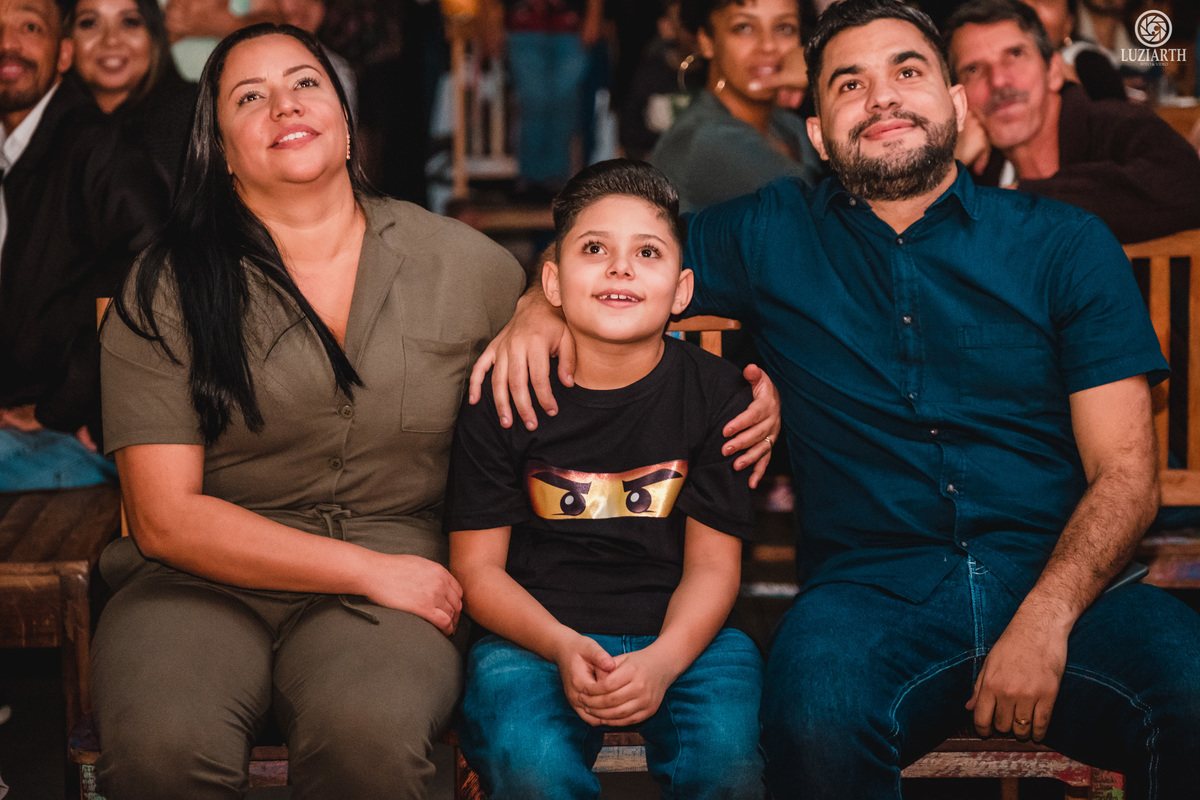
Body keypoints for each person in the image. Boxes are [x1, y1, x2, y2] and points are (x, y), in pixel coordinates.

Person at [469, 1, 1200, 797]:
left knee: (1191, 691)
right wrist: (536, 307)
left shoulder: (1064, 243)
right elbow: (613, 255)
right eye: (850, 84)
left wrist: (1046, 620)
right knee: (812, 716)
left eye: (907, 71)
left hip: (1064, 582)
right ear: (818, 133)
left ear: (957, 103)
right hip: (869, 595)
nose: (882, 96)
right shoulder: (769, 233)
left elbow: (1127, 474)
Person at [89, 23, 525, 799]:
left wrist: (547, 316)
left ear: (345, 119)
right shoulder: (167, 284)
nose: (284, 105)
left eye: (305, 83)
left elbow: (604, 323)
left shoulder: (468, 266)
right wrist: (368, 571)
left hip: (393, 566)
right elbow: (164, 520)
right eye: (249, 97)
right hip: (202, 576)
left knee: (368, 738)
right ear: (221, 149)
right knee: (163, 745)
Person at [446, 159, 765, 799]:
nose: (621, 268)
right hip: (533, 635)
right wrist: (561, 645)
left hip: (687, 635)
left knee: (727, 758)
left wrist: (664, 661)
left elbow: (713, 568)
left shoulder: (719, 397)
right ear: (553, 282)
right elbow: (477, 573)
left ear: (681, 291)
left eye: (647, 252)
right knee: (530, 759)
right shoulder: (504, 395)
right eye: (595, 249)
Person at [0, 0, 168, 490]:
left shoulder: (100, 149)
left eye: (30, 27)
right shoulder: (16, 148)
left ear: (64, 54)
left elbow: (156, 274)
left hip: (74, 435)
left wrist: (62, 407)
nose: (8, 44)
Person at [945, 0, 1200, 244]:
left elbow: (1187, 183)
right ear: (959, 98)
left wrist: (1023, 200)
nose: (998, 81)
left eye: (1015, 54)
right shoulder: (972, 170)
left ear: (1054, 71)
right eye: (973, 70)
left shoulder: (1116, 124)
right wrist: (948, 167)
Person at [649, 0, 823, 212]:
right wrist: (825, 75)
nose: (768, 46)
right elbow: (820, 217)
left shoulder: (788, 124)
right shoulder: (705, 139)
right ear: (706, 41)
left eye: (784, 28)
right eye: (744, 28)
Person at [66, 0, 198, 190]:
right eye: (89, 23)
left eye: (130, 22)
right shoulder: (48, 129)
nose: (111, 40)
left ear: (154, 34)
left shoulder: (193, 114)